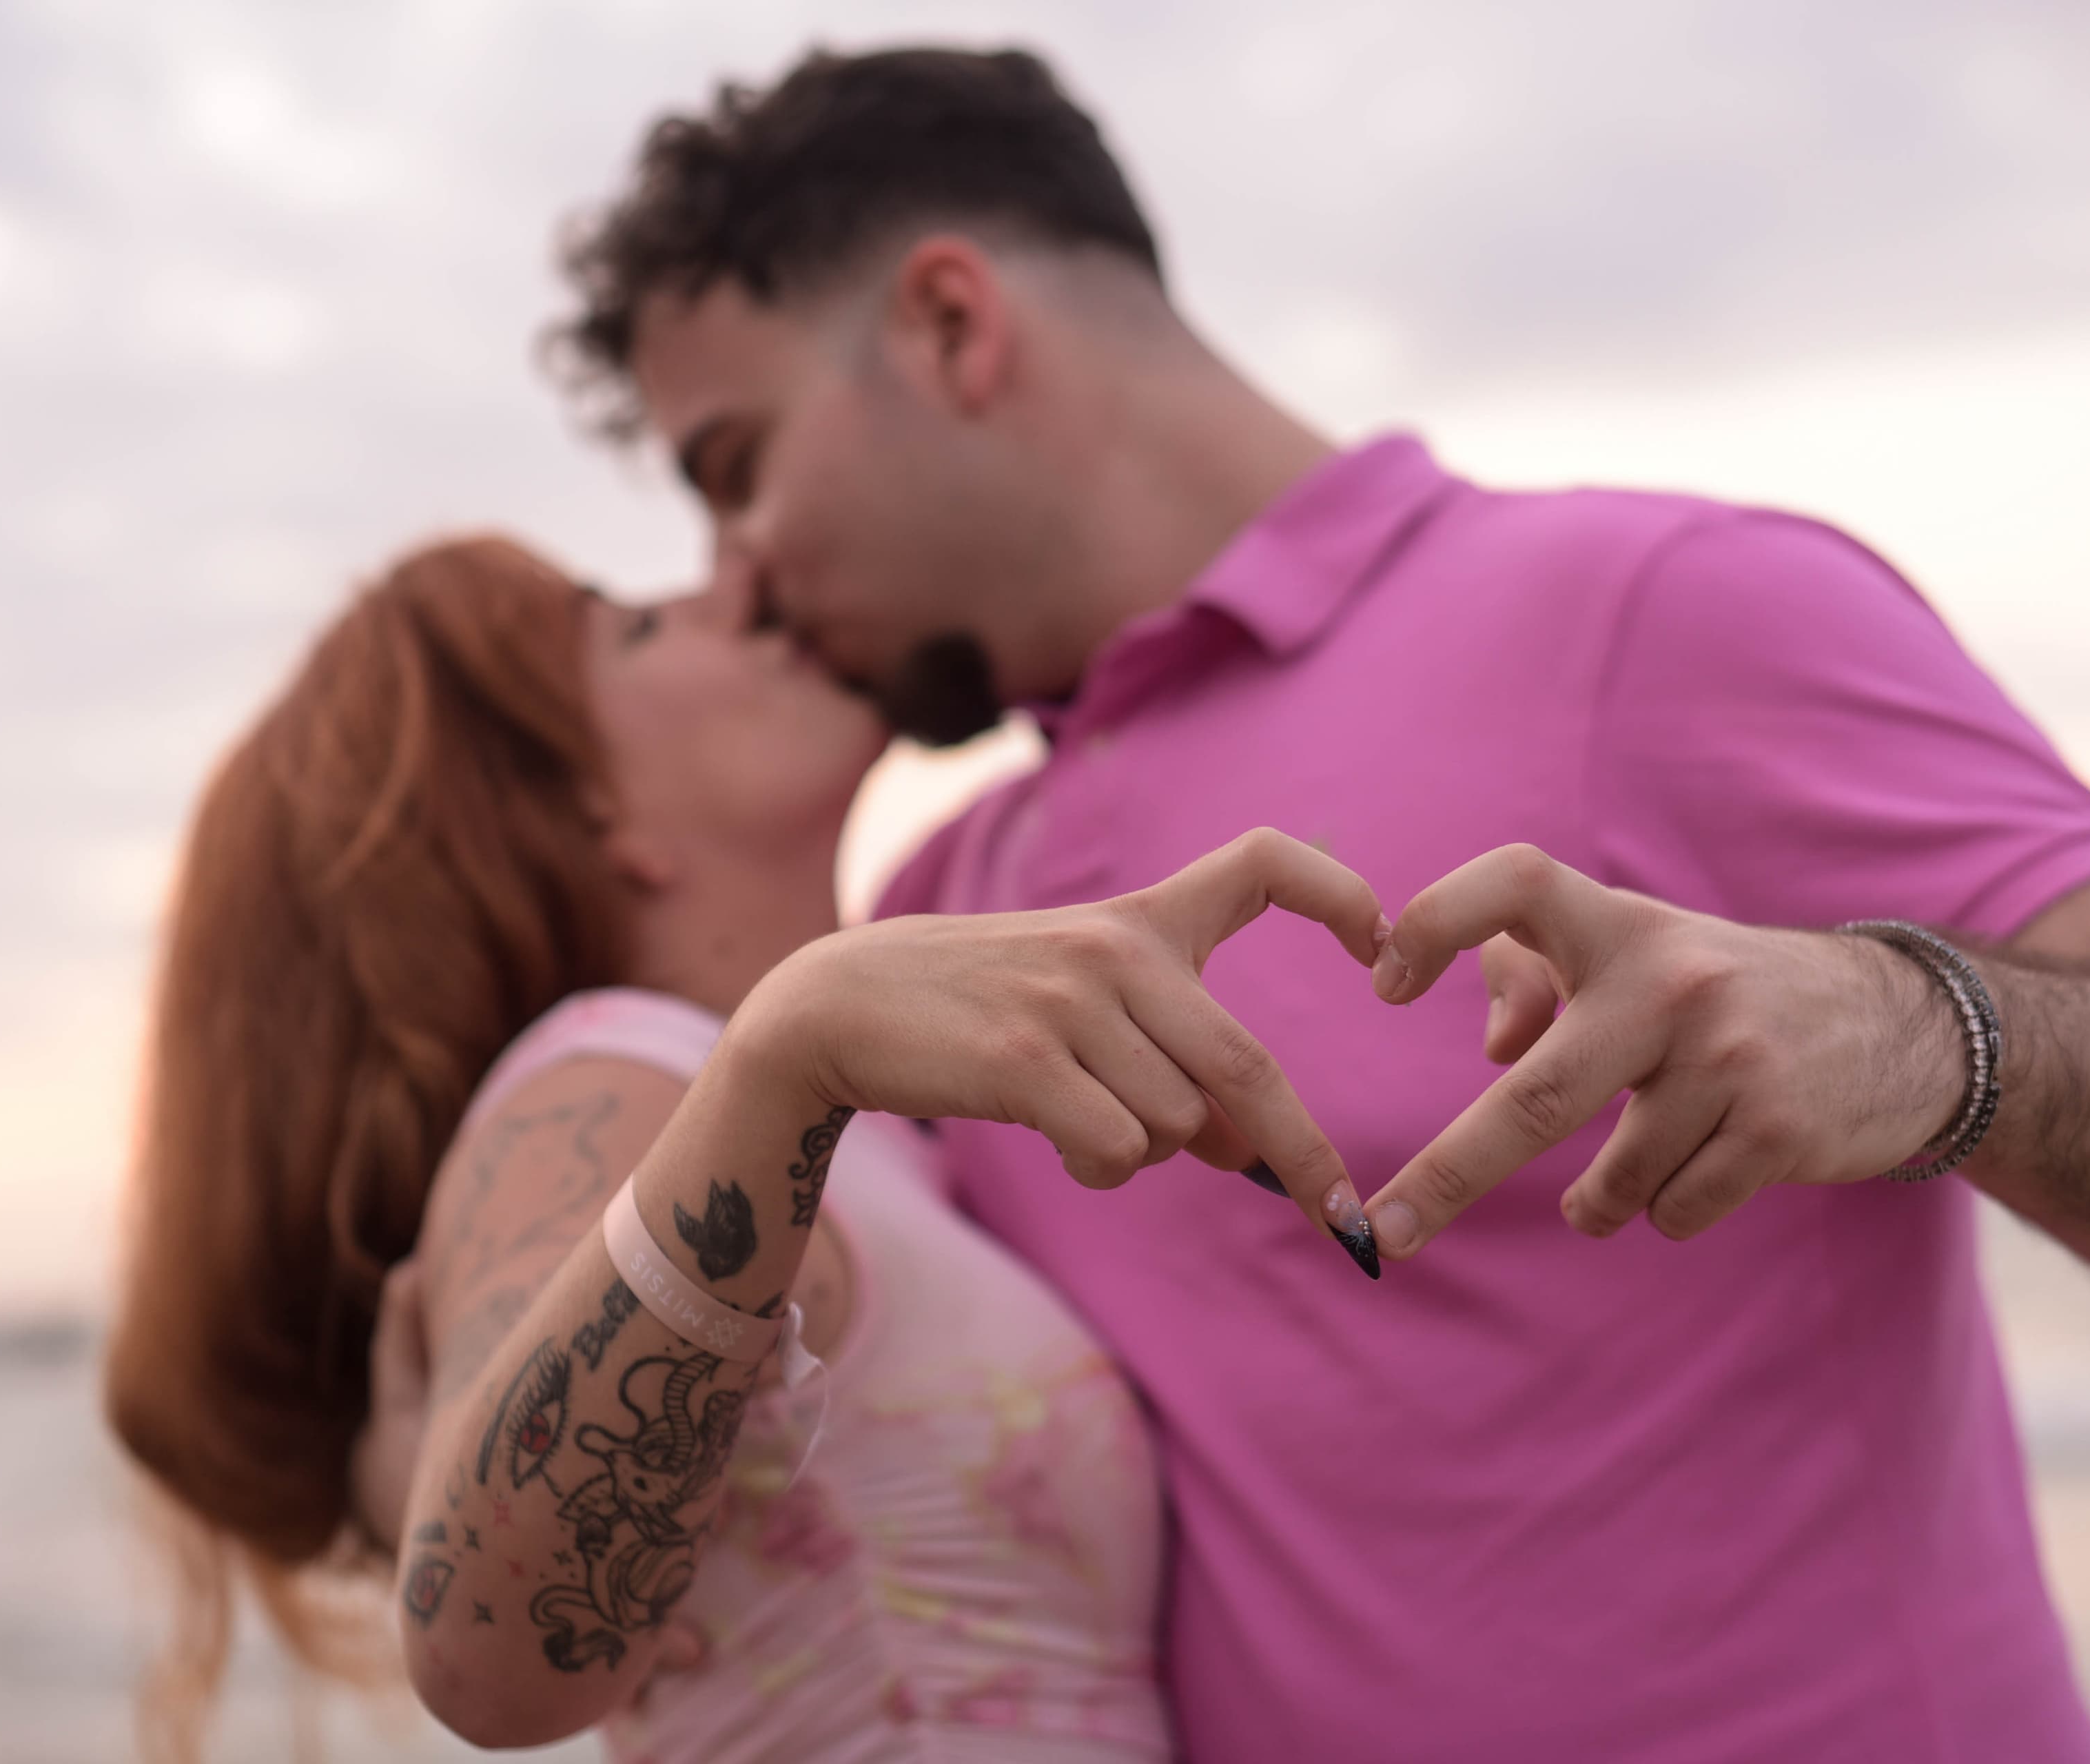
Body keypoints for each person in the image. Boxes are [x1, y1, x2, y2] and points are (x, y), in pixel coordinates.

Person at [551, 44, 2090, 1762]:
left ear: (952, 324)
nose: (739, 576)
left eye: (734, 468)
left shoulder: (1665, 605)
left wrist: (1924, 1027)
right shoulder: (954, 904)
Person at [103, 535, 1398, 1762]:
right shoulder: (614, 1075)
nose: (737, 583)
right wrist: (793, 1043)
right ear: (585, 807)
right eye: (641, 624)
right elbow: (484, 1660)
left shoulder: (841, 1129)